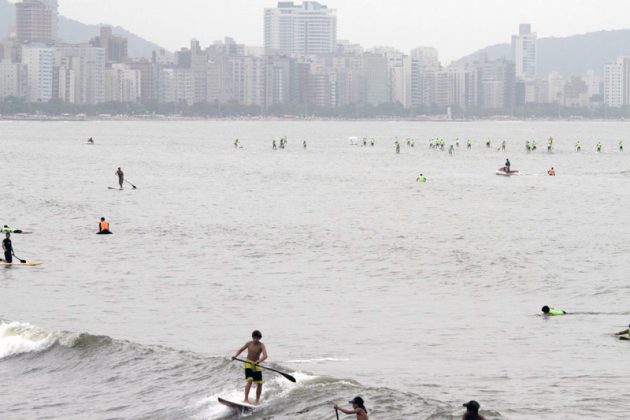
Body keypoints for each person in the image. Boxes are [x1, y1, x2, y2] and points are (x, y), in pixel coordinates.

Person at [232, 330, 268, 405]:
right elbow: (241, 349)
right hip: (248, 363)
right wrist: (235, 356)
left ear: (259, 338)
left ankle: (257, 401)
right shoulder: (249, 343)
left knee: (259, 383)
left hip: (256, 364)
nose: (255, 340)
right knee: (250, 380)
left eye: (257, 338)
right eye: (254, 338)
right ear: (252, 337)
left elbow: (265, 356)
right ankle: (246, 399)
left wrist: (258, 361)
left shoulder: (261, 345)